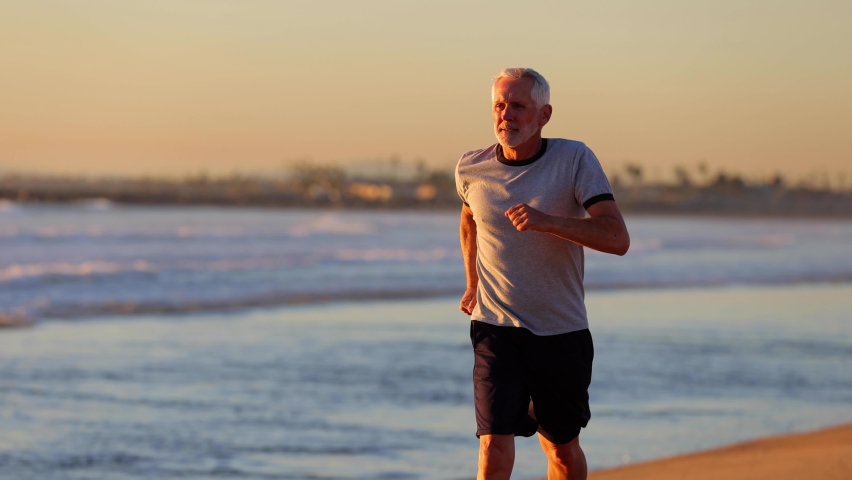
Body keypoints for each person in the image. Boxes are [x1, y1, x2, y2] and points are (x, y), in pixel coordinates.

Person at [455, 68, 630, 480]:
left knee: (562, 450)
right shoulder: (471, 168)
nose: (506, 115)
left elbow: (617, 237)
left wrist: (547, 221)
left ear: (544, 114)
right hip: (496, 327)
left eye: (518, 106)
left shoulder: (574, 159)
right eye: (499, 105)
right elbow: (469, 221)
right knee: (493, 446)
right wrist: (472, 284)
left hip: (560, 332)